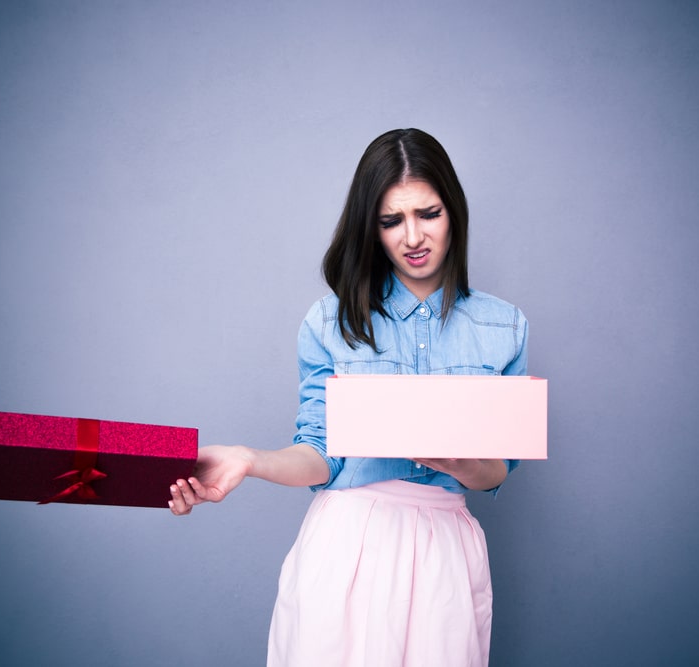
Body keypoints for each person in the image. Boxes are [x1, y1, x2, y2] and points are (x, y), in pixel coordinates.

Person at [169, 128, 529, 666]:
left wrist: (464, 460)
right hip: (348, 547)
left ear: (454, 210)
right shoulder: (329, 322)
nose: (413, 237)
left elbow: (501, 470)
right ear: (372, 228)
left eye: (428, 213)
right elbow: (320, 453)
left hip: (446, 557)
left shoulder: (506, 327)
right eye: (391, 221)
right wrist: (250, 460)